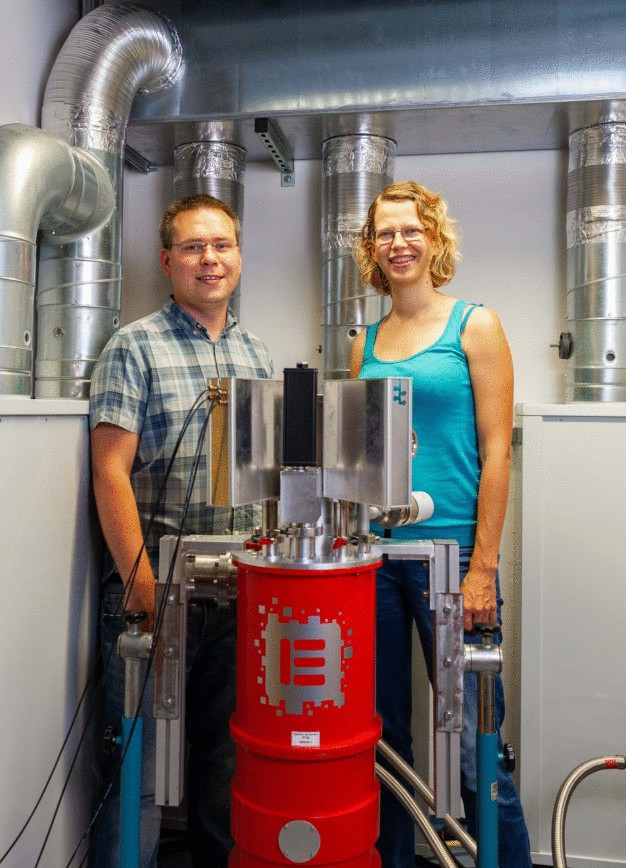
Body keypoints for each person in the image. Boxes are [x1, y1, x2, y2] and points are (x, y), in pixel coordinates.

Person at [351, 181, 532, 867]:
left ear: (434, 237)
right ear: (371, 249)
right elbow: (359, 459)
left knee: (472, 743)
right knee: (384, 740)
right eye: (384, 233)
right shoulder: (365, 340)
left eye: (410, 230)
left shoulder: (474, 325)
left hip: (453, 557)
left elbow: (496, 452)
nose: (398, 243)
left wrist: (482, 566)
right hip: (376, 560)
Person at [88, 193, 273, 868]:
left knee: (226, 770)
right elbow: (111, 471)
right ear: (168, 261)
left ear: (239, 256)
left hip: (238, 591)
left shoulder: (255, 352)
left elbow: (264, 476)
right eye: (194, 247)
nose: (211, 259)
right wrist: (142, 587)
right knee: (133, 771)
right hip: (156, 590)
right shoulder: (132, 347)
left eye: (222, 245)